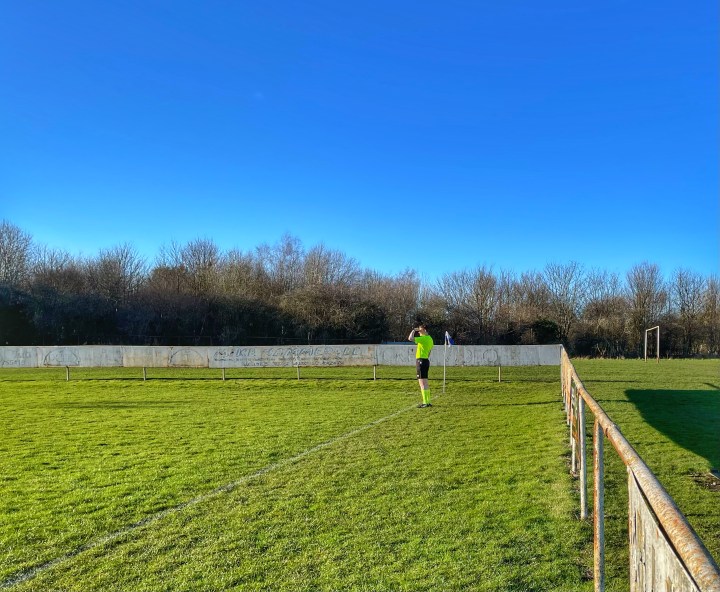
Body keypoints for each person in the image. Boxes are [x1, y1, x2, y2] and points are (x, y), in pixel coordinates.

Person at [408, 323, 434, 407]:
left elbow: (410, 338)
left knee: (422, 383)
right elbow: (429, 352)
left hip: (421, 361)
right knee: (425, 382)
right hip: (425, 360)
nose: (419, 332)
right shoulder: (430, 339)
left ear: (424, 330)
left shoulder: (424, 338)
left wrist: (413, 330)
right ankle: (428, 401)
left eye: (420, 330)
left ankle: (425, 402)